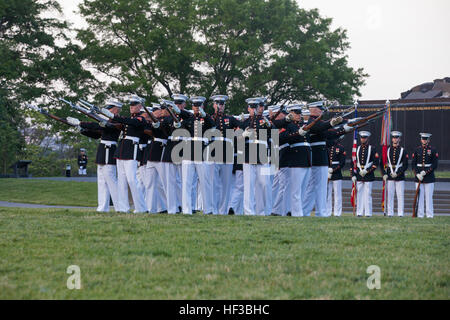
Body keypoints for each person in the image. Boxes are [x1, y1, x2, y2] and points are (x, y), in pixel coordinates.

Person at [67, 99, 122, 212]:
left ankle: (120, 207)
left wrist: (81, 122)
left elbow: (98, 126)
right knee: (102, 181)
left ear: (115, 110)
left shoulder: (117, 122)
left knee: (111, 180)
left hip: (109, 150)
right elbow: (96, 134)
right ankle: (102, 208)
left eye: (109, 109)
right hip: (103, 150)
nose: (106, 111)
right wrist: (81, 129)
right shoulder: (106, 122)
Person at [101, 94, 147, 213]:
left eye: (134, 104)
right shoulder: (129, 118)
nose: (131, 107)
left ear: (140, 106)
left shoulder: (141, 118)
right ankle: (123, 208)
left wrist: (114, 116)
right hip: (122, 149)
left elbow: (130, 122)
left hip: (132, 149)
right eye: (131, 104)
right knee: (122, 180)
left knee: (132, 179)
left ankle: (141, 207)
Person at [180, 96, 216, 215]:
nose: (197, 108)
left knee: (205, 182)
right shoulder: (189, 119)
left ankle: (208, 209)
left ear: (203, 106)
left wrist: (204, 115)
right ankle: (187, 209)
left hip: (202, 152)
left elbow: (213, 125)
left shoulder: (206, 119)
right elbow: (180, 126)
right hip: (188, 152)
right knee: (187, 183)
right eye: (195, 106)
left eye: (199, 105)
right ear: (192, 107)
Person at [240, 97, 272, 216]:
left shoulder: (265, 121)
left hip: (262, 153)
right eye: (252, 107)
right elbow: (235, 139)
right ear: (248, 108)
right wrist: (243, 135)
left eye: (256, 107)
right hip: (248, 154)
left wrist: (269, 125)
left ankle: (265, 211)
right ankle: (249, 211)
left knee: (265, 184)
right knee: (248, 186)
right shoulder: (244, 122)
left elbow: (273, 133)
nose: (254, 109)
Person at [210, 95, 242, 215]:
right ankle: (213, 209)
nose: (220, 106)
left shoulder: (230, 118)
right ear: (214, 105)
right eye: (218, 103)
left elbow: (241, 125)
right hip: (214, 152)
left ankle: (222, 210)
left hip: (227, 152)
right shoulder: (210, 118)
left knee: (226, 184)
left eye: (222, 104)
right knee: (214, 183)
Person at [351, 131, 379, 217]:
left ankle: (368, 213)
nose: (363, 139)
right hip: (359, 174)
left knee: (368, 194)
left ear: (368, 138)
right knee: (359, 194)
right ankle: (359, 212)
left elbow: (375, 163)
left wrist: (367, 171)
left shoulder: (372, 149)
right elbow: (353, 163)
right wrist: (353, 175)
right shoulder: (357, 149)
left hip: (368, 175)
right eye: (362, 138)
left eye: (364, 138)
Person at [381, 131, 408, 217]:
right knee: (390, 195)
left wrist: (398, 173)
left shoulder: (403, 150)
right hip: (390, 175)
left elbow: (405, 165)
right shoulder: (387, 150)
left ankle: (400, 213)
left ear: (399, 139)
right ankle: (390, 213)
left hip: (399, 176)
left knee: (400, 196)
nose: (395, 139)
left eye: (397, 138)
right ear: (392, 139)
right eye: (393, 138)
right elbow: (382, 163)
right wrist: (384, 174)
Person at [411, 132, 438, 218]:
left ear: (428, 140)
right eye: (423, 139)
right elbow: (413, 164)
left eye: (425, 139)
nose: (424, 140)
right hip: (418, 176)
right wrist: (417, 174)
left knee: (429, 197)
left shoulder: (433, 150)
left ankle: (429, 215)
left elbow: (434, 164)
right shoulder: (416, 150)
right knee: (420, 197)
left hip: (429, 176)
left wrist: (425, 172)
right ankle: (420, 214)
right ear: (420, 140)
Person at [327, 136, 346, 217]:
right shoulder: (327, 147)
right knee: (327, 194)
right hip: (327, 172)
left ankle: (337, 213)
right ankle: (327, 212)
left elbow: (342, 162)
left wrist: (334, 170)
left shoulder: (341, 148)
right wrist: (327, 169)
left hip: (337, 173)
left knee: (337, 194)